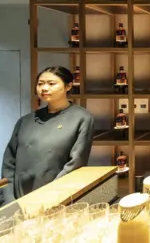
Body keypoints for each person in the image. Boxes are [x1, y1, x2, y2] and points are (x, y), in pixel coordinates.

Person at [1, 66, 94, 206]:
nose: (44, 88)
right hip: (18, 201)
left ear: (68, 86)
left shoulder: (81, 118)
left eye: (51, 84)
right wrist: (9, 200)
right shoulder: (25, 121)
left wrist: (49, 198)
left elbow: (75, 163)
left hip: (56, 201)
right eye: (40, 84)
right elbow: (9, 163)